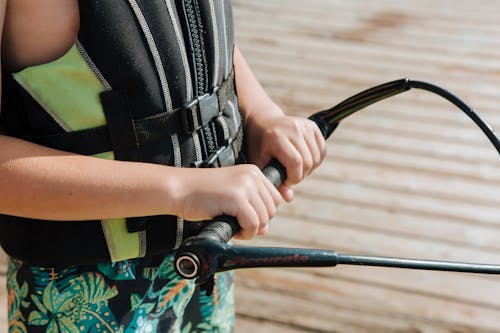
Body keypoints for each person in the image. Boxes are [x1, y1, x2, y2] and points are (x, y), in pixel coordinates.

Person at [0, 1, 325, 332]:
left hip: (206, 266)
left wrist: (259, 113)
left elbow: (189, 29)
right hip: (83, 300)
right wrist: (183, 190)